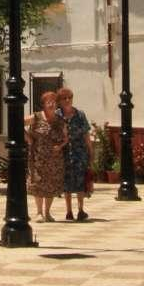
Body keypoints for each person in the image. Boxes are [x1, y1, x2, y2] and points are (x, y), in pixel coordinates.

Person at [27, 89, 65, 221]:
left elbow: (66, 137)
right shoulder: (36, 117)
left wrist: (60, 146)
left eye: (54, 102)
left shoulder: (59, 120)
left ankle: (47, 213)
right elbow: (18, 123)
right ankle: (39, 213)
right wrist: (28, 138)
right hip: (38, 157)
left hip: (54, 159)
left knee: (51, 184)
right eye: (48, 102)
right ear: (43, 104)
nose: (51, 104)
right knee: (38, 184)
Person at [55, 86, 93, 221]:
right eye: (64, 98)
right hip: (63, 154)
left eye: (69, 98)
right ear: (59, 101)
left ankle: (81, 210)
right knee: (66, 183)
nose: (67, 100)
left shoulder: (80, 115)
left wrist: (90, 151)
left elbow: (86, 135)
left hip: (79, 154)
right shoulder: (57, 116)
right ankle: (69, 211)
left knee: (80, 182)